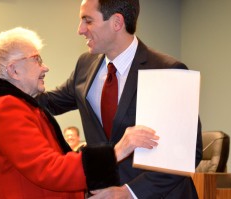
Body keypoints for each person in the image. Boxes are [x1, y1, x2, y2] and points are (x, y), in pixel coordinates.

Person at [37, 0, 203, 198]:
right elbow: (48, 103)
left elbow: (186, 153)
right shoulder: (85, 65)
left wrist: (129, 193)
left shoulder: (167, 69)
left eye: (87, 21)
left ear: (117, 22)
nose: (80, 30)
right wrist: (10, 78)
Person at [0, 27, 159, 199]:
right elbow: (49, 169)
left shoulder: (12, 106)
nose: (45, 67)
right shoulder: (5, 108)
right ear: (14, 70)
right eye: (37, 59)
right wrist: (118, 150)